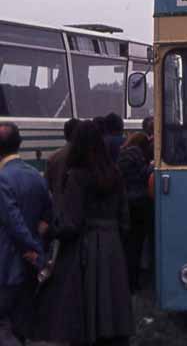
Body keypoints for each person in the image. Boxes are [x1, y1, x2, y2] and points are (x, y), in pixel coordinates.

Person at [28, 120, 133, 345]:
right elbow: (125, 217)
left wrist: (49, 231)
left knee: (82, 311)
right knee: (110, 305)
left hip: (85, 249)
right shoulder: (114, 173)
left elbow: (71, 224)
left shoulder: (76, 175)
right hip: (112, 245)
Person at [0, 122, 52, 346]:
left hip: (7, 264)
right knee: (21, 323)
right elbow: (49, 215)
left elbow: (14, 224)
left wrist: (34, 250)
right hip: (29, 267)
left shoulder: (2, 178)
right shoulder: (35, 175)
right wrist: (38, 255)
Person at [117, 131, 153, 292]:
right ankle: (133, 282)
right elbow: (142, 175)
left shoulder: (123, 154)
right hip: (139, 202)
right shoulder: (137, 155)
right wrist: (151, 167)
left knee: (128, 243)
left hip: (126, 203)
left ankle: (126, 280)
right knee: (137, 244)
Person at [45, 117, 80, 207]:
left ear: (65, 135)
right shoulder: (87, 154)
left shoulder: (53, 158)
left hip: (60, 210)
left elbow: (48, 187)